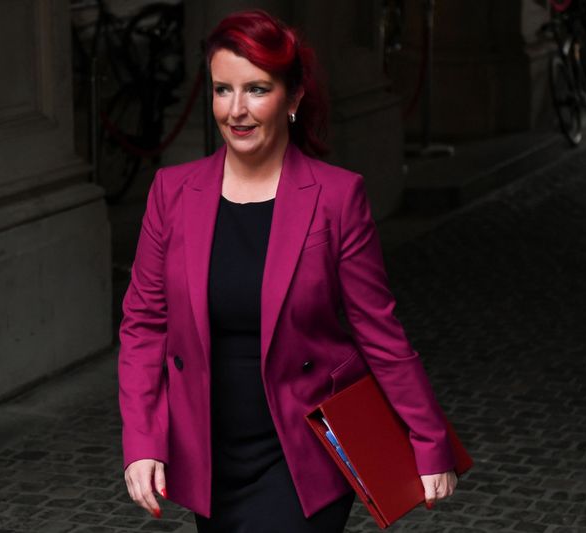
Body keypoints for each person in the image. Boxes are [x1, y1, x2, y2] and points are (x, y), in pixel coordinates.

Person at [118, 9, 457, 532]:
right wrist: (142, 441)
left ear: (293, 97)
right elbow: (144, 327)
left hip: (301, 457)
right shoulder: (173, 193)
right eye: (222, 90)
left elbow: (379, 332)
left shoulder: (337, 197)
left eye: (256, 89)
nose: (236, 111)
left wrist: (429, 438)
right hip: (210, 457)